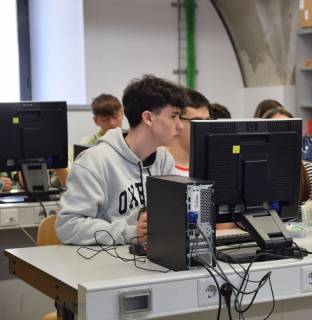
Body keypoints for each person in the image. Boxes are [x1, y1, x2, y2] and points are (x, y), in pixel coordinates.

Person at [56, 75, 187, 245]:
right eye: (173, 116)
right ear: (148, 118)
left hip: (150, 260)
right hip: (103, 266)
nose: (180, 125)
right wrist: (130, 233)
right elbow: (68, 226)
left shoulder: (163, 160)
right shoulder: (94, 161)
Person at [262, 107, 312, 221]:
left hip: (301, 237)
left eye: (287, 130)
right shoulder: (253, 174)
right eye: (277, 130)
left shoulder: (311, 170)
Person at [167, 89, 211, 177]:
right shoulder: (158, 164)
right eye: (197, 121)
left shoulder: (209, 165)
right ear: (176, 121)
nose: (204, 128)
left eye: (207, 121)